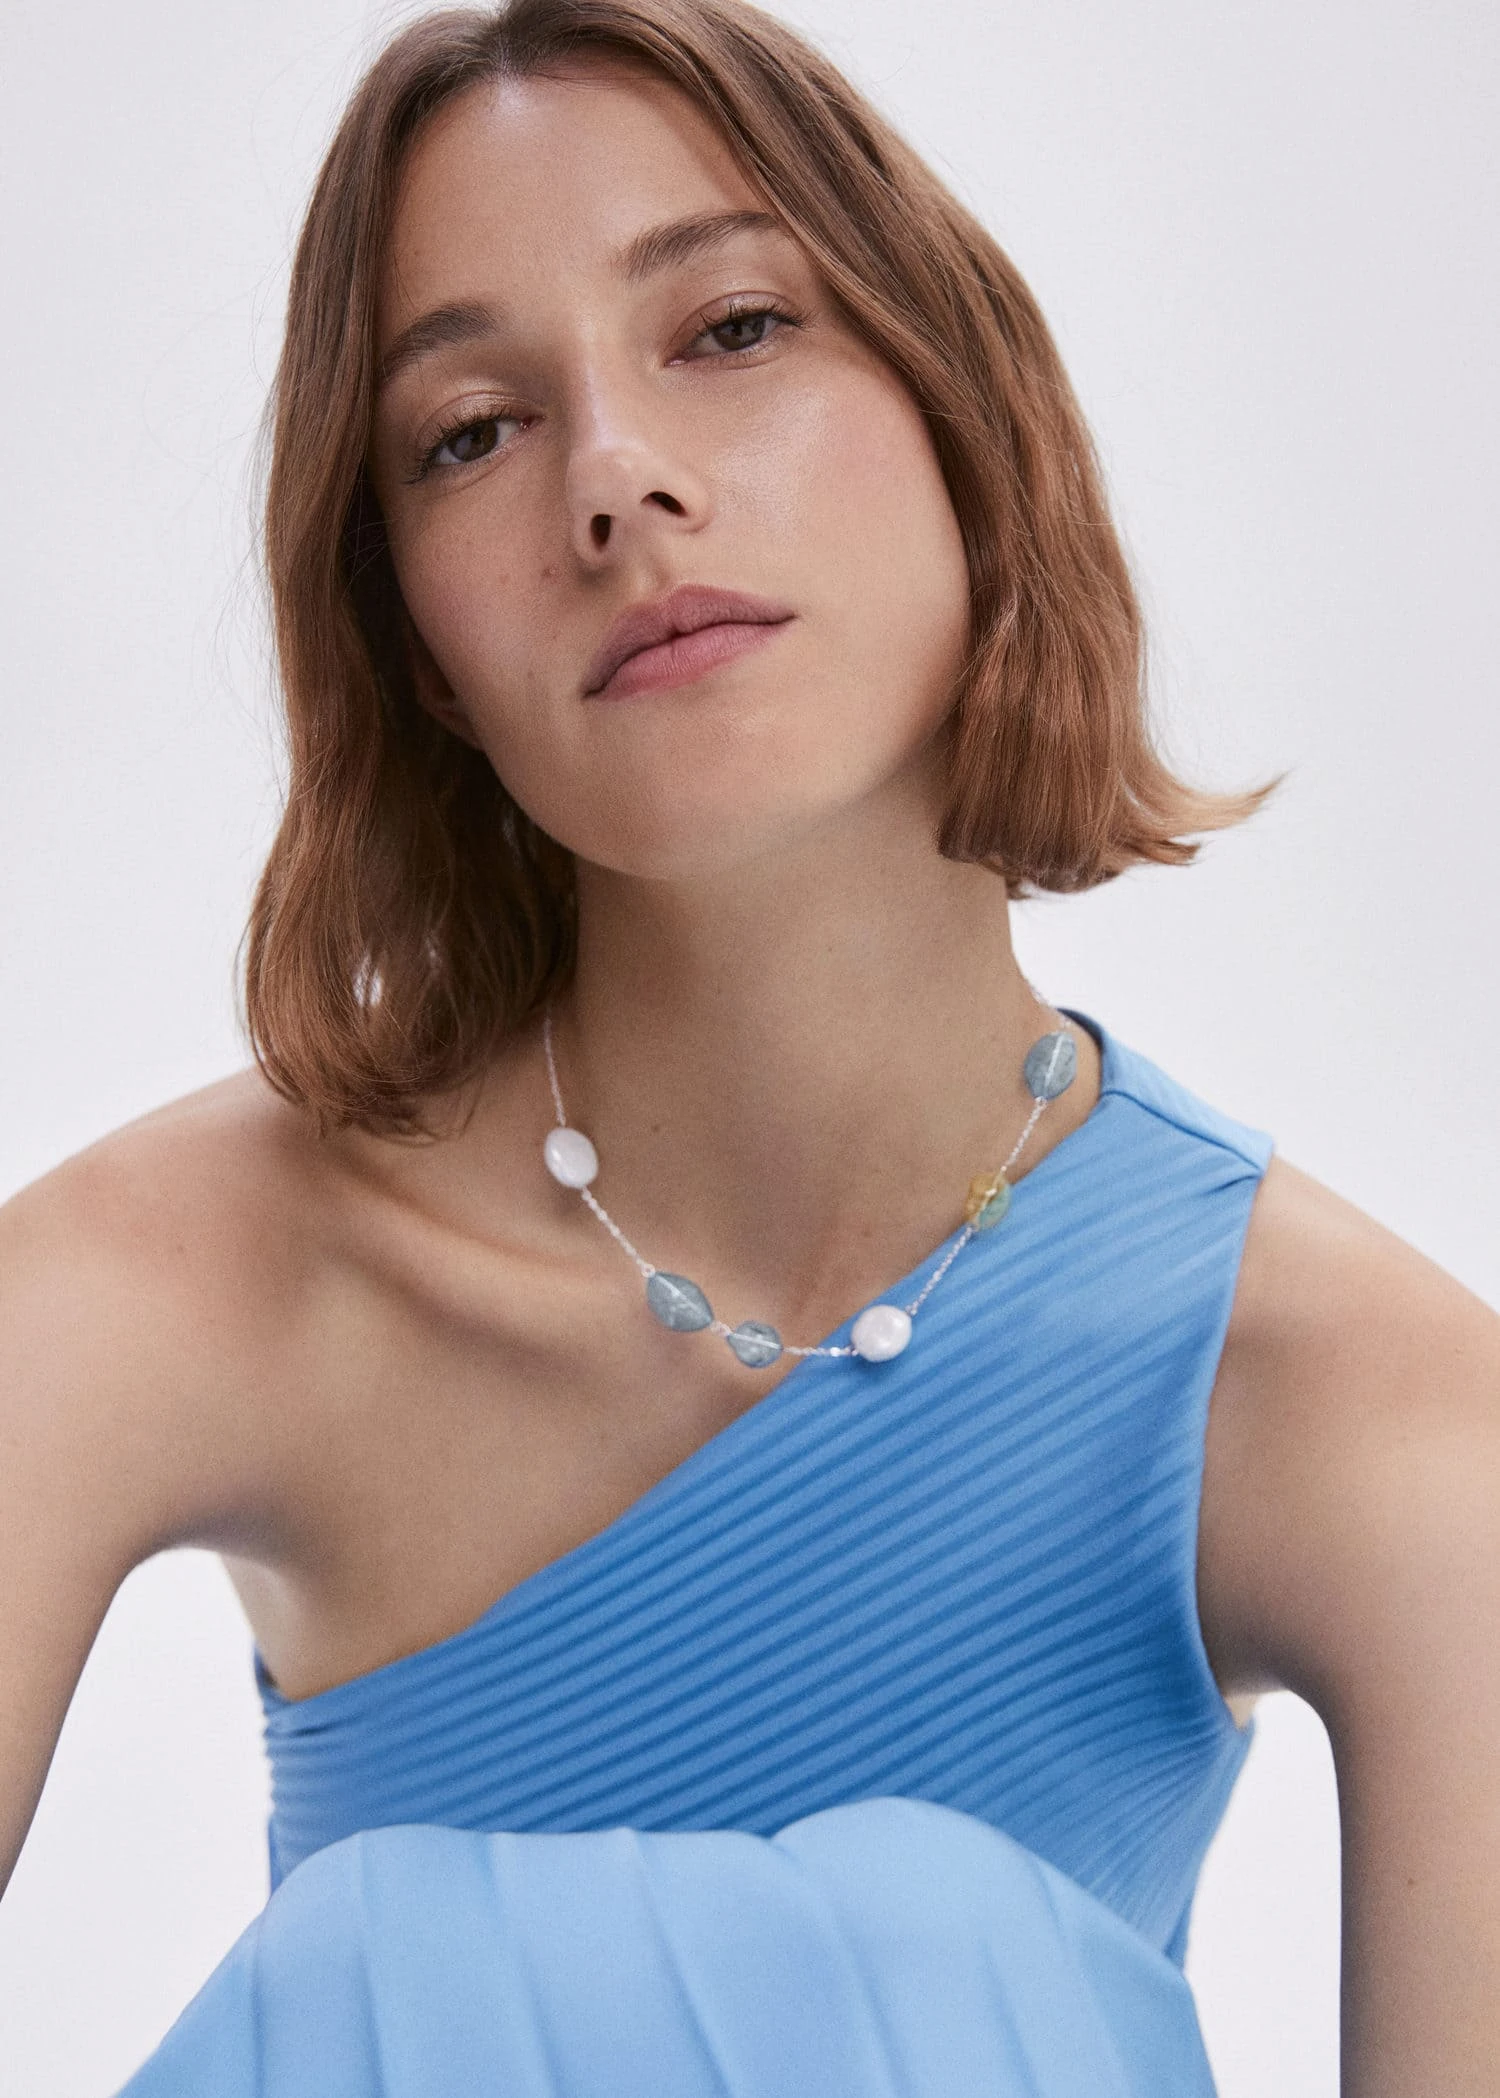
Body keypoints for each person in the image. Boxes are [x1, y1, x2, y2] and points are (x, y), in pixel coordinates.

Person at [2, 0, 1495, 2089]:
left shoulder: (1379, 1409)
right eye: (470, 431)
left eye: (730, 327)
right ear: (417, 651)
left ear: (970, 418)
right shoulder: (145, 1288)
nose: (616, 478)